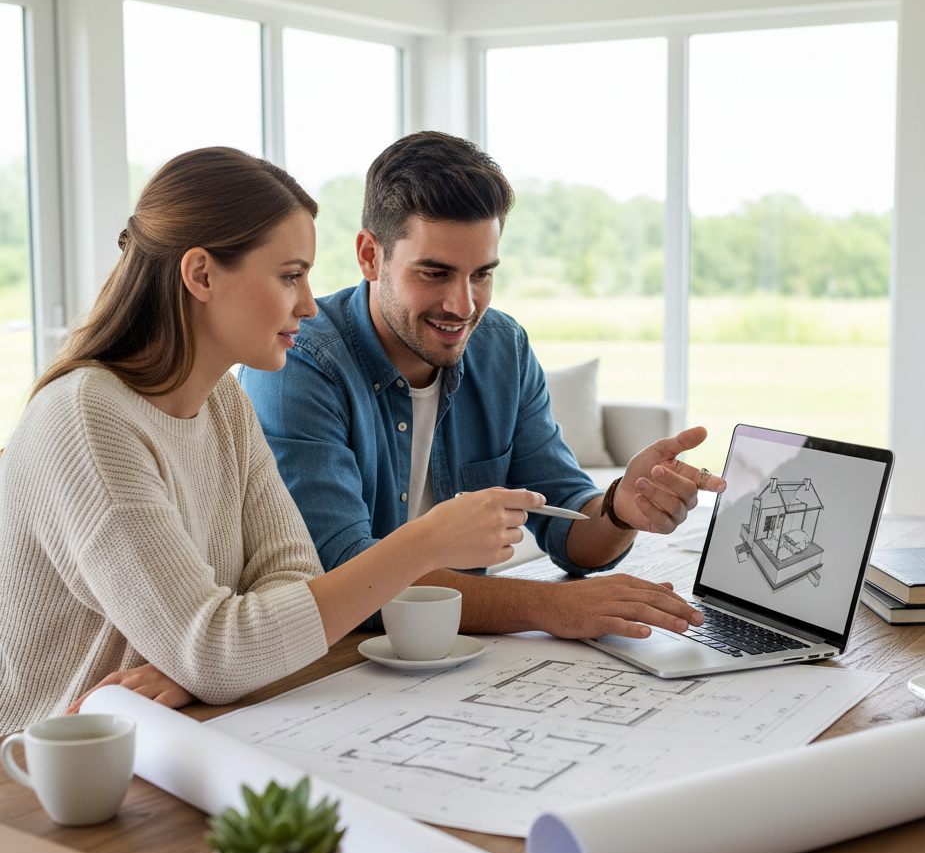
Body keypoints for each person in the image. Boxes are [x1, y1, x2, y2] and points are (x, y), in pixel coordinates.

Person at [0, 147, 542, 735]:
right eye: (290, 276)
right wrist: (428, 542)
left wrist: (209, 663)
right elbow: (216, 649)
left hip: (188, 730)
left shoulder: (223, 402)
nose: (308, 305)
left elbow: (291, 577)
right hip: (49, 768)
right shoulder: (87, 419)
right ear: (201, 274)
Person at [240, 131, 725, 640]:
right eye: (435, 273)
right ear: (369, 256)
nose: (463, 305)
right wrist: (549, 606)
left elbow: (568, 527)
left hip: (459, 663)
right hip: (339, 666)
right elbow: (344, 579)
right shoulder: (299, 360)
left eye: (482, 275)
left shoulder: (502, 348)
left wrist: (620, 506)